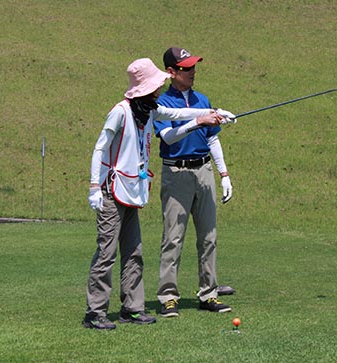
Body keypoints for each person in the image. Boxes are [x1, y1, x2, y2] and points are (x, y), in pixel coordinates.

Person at [83, 58, 233, 330]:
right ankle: (95, 312)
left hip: (131, 192)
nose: (157, 91)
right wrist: (94, 186)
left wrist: (214, 112)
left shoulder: (148, 111)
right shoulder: (120, 111)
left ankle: (132, 308)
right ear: (143, 89)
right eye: (154, 87)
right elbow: (99, 148)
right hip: (109, 191)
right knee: (106, 254)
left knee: (134, 253)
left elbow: (177, 115)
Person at [153, 47, 236, 318]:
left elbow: (212, 138)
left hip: (203, 172)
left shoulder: (203, 99)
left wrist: (223, 174)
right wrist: (198, 120)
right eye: (186, 68)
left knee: (209, 237)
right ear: (171, 72)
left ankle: (208, 294)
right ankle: (168, 296)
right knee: (173, 238)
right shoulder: (161, 103)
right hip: (176, 173)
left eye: (193, 67)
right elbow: (167, 137)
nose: (192, 72)